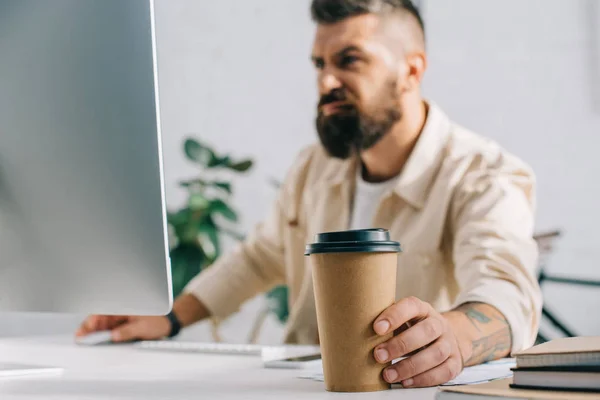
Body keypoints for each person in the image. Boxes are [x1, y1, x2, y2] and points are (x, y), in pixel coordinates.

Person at [76, 0, 542, 388]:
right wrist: (169, 317)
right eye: (320, 64)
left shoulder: (484, 175)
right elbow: (259, 258)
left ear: (410, 71)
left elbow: (507, 291)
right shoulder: (313, 169)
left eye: (350, 60)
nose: (325, 82)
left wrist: (455, 339)